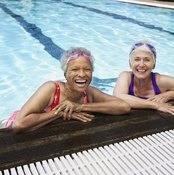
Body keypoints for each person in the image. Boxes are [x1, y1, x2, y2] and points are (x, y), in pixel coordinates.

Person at [1, 47, 130, 133]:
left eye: (87, 69)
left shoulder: (89, 92)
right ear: (65, 74)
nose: (82, 74)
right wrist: (60, 112)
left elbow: (123, 106)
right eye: (74, 70)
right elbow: (19, 125)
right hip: (9, 126)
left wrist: (79, 107)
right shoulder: (51, 89)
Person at [113, 40, 174, 115]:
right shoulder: (126, 76)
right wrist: (156, 105)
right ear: (130, 63)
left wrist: (168, 95)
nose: (141, 64)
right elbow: (118, 97)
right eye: (137, 59)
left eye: (147, 60)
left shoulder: (160, 80)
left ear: (154, 64)